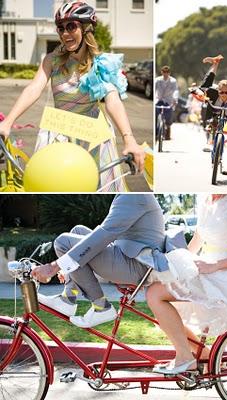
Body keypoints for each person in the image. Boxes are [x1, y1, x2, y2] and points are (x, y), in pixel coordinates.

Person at [0, 1, 144, 191]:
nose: (65, 33)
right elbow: (33, 89)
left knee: (97, 188)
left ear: (85, 29)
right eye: (60, 28)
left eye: (71, 26)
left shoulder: (100, 63)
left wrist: (129, 139)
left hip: (92, 134)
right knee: (51, 186)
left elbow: (113, 99)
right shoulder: (52, 60)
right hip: (59, 132)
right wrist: (8, 122)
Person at [147, 194, 227, 375]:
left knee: (155, 295)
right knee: (159, 300)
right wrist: (175, 265)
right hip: (204, 267)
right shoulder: (205, 200)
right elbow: (196, 243)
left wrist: (214, 266)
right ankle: (204, 355)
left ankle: (185, 357)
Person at [32, 194, 167, 328]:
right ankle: (68, 299)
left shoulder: (134, 195)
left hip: (137, 266)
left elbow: (105, 233)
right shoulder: (132, 194)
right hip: (130, 257)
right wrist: (69, 269)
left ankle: (101, 307)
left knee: (64, 242)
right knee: (77, 231)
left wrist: (54, 266)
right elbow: (103, 234)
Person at [155, 65, 179, 140]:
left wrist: (175, 99)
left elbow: (175, 90)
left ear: (169, 73)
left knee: (169, 117)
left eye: (167, 72)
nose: (165, 74)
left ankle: (167, 132)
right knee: (156, 114)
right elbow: (154, 88)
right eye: (164, 72)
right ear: (162, 72)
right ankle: (156, 132)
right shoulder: (157, 80)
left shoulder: (173, 81)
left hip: (168, 101)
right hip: (159, 100)